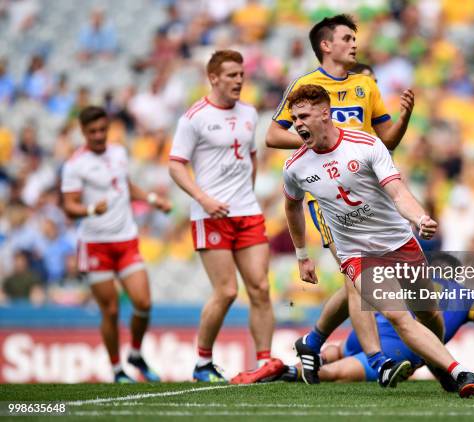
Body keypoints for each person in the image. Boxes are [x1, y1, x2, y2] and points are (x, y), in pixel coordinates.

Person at [282, 84, 474, 398]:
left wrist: (419, 218)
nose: (297, 124)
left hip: (399, 243)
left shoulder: (365, 144)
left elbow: (399, 192)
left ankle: (440, 366)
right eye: (294, 118)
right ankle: (458, 372)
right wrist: (301, 254)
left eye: (304, 116)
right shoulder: (295, 166)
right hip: (356, 254)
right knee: (397, 315)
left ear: (325, 113)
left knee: (429, 314)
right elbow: (292, 206)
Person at [266, 14, 421, 386]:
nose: (355, 43)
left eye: (355, 37)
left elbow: (387, 140)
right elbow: (273, 135)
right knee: (359, 279)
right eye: (348, 37)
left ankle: (313, 340)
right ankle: (378, 361)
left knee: (359, 279)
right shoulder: (305, 86)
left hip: (371, 194)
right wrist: (313, 142)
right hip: (330, 200)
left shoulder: (366, 85)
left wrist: (404, 118)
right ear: (326, 44)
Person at [168, 50, 283, 384]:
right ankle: (203, 362)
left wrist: (246, 194)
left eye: (241, 74)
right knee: (227, 291)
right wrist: (203, 198)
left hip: (247, 213)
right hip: (210, 216)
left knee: (260, 287)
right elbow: (176, 164)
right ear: (213, 78)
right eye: (231, 75)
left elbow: (251, 158)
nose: (239, 80)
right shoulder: (194, 117)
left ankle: (264, 362)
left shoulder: (249, 113)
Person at [61, 106, 172, 383]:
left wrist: (151, 199)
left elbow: (125, 185)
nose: (98, 136)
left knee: (143, 302)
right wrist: (89, 210)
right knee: (110, 310)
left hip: (125, 239)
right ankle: (116, 369)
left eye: (102, 130)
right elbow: (69, 206)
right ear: (83, 132)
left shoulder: (119, 152)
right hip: (96, 244)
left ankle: (135, 353)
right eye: (92, 132)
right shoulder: (75, 165)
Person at [308, 272, 474, 388]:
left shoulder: (412, 277)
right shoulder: (466, 297)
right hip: (396, 352)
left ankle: (295, 367)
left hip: (369, 330)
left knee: (335, 352)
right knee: (334, 372)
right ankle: (293, 373)